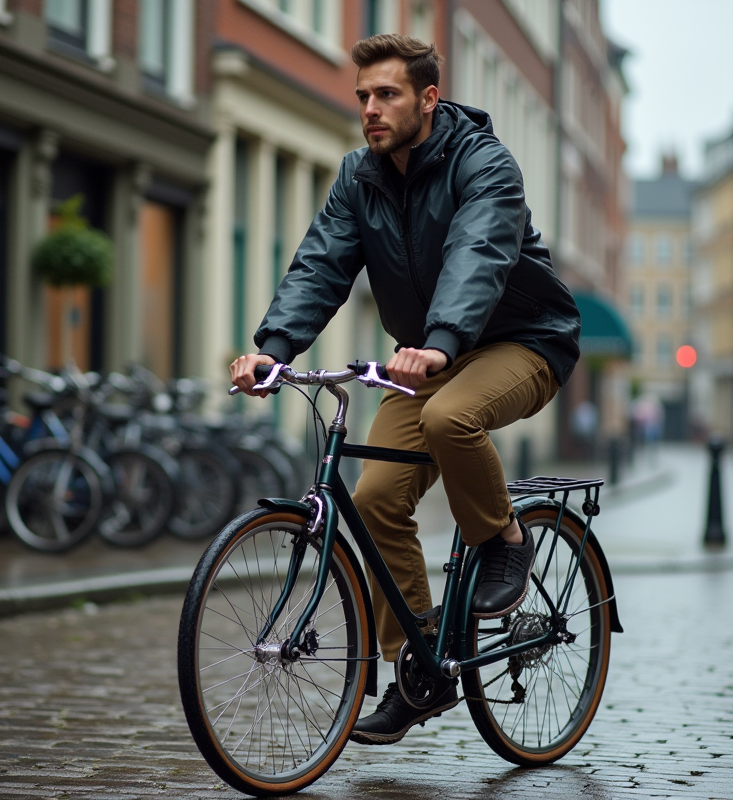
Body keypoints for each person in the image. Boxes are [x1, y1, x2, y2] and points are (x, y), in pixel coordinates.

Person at [230, 34, 580, 746]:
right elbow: (321, 266)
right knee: (374, 499)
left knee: (453, 415)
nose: (370, 109)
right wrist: (271, 352)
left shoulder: (485, 164)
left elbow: (477, 252)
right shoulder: (360, 177)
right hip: (427, 352)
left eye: (386, 94)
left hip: (523, 340)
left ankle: (504, 538)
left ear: (428, 98)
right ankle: (418, 664)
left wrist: (443, 342)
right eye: (362, 96)